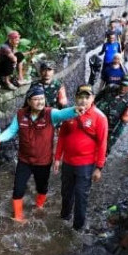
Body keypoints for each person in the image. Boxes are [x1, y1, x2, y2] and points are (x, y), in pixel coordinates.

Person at [0, 85, 82, 222]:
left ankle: (39, 206)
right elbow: (11, 131)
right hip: (25, 160)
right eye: (36, 99)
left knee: (42, 187)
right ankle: (18, 217)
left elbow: (62, 114)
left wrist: (75, 110)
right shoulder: (21, 114)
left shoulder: (50, 114)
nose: (40, 102)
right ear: (28, 101)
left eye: (42, 98)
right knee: (18, 188)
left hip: (43, 161)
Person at [53, 84, 108, 231]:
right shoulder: (69, 113)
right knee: (66, 192)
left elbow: (103, 143)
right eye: (80, 97)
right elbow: (62, 137)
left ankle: (78, 227)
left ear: (93, 98)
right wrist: (57, 158)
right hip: (68, 162)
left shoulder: (100, 117)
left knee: (81, 195)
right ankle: (64, 218)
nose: (83, 100)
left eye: (87, 97)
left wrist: (99, 167)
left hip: (86, 164)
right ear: (76, 98)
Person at [94, 76, 128, 154]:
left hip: (107, 129)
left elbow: (121, 126)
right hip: (95, 121)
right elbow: (95, 99)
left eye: (126, 86)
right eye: (122, 84)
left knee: (101, 152)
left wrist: (110, 143)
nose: (123, 88)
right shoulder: (110, 87)